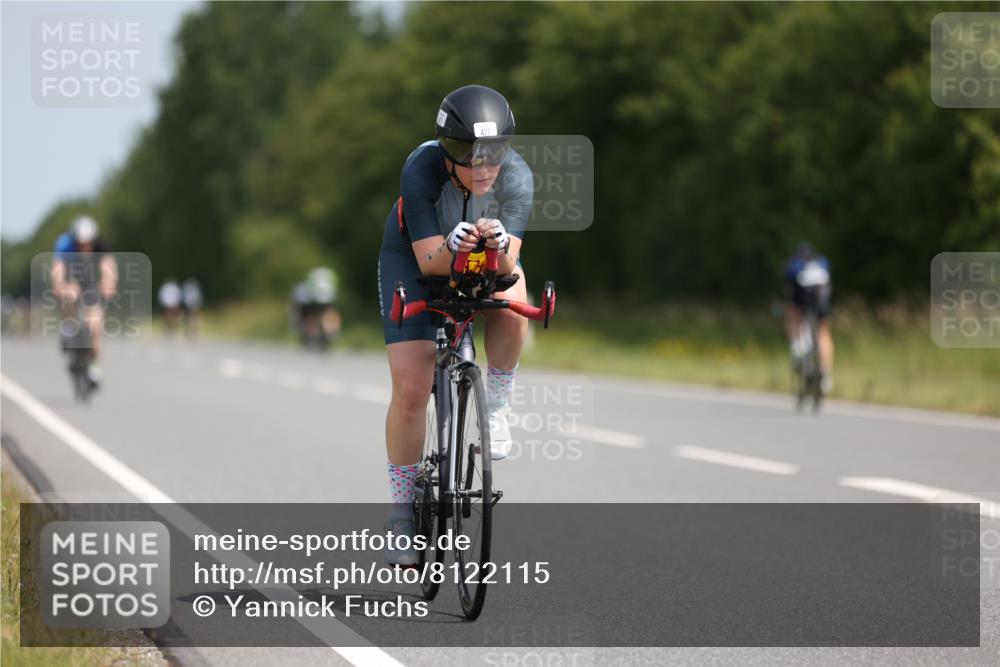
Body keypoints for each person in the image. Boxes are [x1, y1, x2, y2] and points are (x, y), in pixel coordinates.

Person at [377, 84, 533, 565]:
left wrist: (499, 244)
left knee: (510, 298)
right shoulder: (420, 168)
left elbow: (508, 267)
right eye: (468, 155)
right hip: (413, 258)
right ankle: (403, 513)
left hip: (482, 258)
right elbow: (427, 262)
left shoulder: (518, 179)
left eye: (493, 154)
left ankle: (497, 404)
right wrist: (454, 244)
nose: (483, 168)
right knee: (411, 388)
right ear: (446, 151)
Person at [50, 215, 117, 388]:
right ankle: (68, 327)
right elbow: (57, 270)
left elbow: (109, 268)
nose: (84, 247)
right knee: (70, 293)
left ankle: (94, 368)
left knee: (95, 323)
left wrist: (109, 284)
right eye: (80, 243)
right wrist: (60, 286)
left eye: (87, 243)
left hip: (91, 283)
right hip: (71, 279)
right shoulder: (65, 245)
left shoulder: (101, 246)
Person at [784, 242, 834, 392]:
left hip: (802, 301)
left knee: (793, 314)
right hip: (821, 301)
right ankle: (825, 374)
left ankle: (797, 347)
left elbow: (789, 287)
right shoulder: (822, 262)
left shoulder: (794, 265)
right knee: (823, 333)